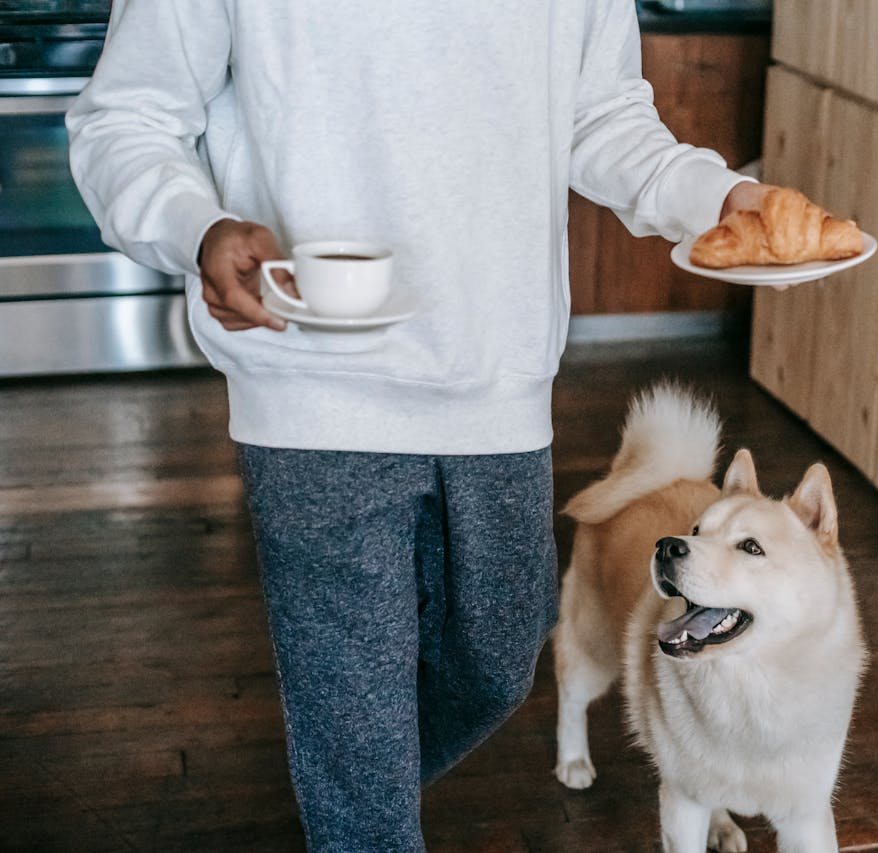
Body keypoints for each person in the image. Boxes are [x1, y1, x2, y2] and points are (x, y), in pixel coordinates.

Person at [67, 1, 770, 849]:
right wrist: (196, 225)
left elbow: (600, 112)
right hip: (311, 380)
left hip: (497, 376)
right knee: (355, 743)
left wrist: (720, 195)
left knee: (497, 663)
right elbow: (128, 115)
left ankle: (352, 800)